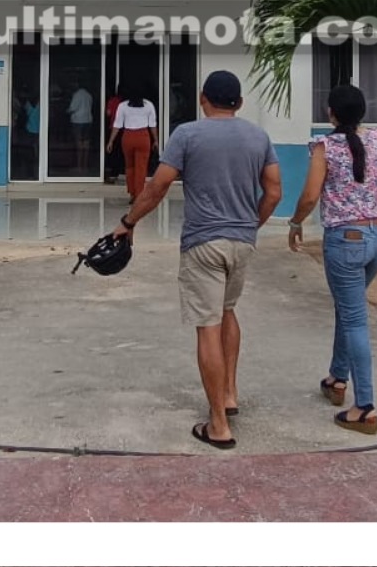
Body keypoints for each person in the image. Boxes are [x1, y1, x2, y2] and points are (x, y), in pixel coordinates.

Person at [110, 71, 280, 450]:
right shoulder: (259, 137)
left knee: (207, 326)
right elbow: (274, 191)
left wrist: (128, 222)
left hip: (203, 243)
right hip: (242, 242)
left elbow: (158, 187)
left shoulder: (187, 134)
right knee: (229, 310)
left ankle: (218, 424)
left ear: (203, 98)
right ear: (239, 102)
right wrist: (251, 225)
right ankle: (231, 394)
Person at [287, 83, 377, 435]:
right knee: (349, 310)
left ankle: (364, 406)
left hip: (346, 239)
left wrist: (296, 222)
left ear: (330, 113)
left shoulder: (325, 146)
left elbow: (309, 195)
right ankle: (337, 377)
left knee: (355, 320)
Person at [105, 84, 159, 204]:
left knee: (130, 167)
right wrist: (155, 140)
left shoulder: (123, 106)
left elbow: (117, 125)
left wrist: (111, 141)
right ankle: (139, 194)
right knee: (141, 167)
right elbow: (152, 125)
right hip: (143, 137)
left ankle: (132, 194)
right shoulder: (149, 105)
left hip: (128, 137)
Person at [69, 80, 96, 164]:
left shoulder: (76, 95)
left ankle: (79, 163)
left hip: (78, 121)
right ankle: (85, 163)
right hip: (88, 120)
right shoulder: (89, 95)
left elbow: (73, 108)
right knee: (86, 142)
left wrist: (66, 111)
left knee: (79, 142)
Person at [104, 85, 125, 184]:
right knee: (122, 151)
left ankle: (113, 173)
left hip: (113, 128)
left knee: (113, 151)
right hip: (125, 129)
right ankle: (122, 171)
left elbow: (108, 113)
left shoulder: (112, 101)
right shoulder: (126, 103)